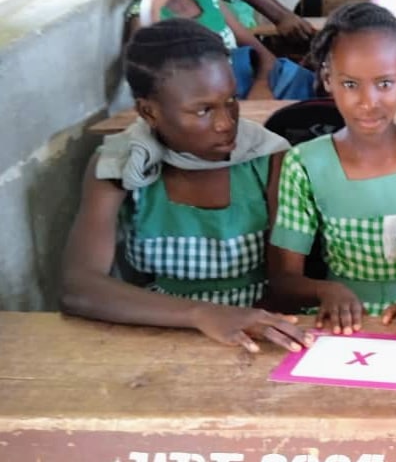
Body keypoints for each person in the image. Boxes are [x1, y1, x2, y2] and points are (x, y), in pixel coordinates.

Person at [61, 19, 310, 354]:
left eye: (231, 101)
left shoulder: (266, 156)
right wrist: (202, 314)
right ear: (148, 111)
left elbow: (284, 283)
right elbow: (79, 287)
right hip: (153, 330)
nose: (226, 123)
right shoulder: (120, 164)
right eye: (203, 110)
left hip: (257, 330)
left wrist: (242, 322)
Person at [268, 3, 396, 341]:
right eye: (350, 84)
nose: (368, 101)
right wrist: (324, 291)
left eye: (384, 83)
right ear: (327, 79)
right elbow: (285, 278)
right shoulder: (303, 163)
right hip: (337, 324)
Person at [131, 0, 315, 100]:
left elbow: (264, 56)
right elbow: (159, 85)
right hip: (211, 96)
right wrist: (152, 7)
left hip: (249, 81)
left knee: (314, 87)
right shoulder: (144, 15)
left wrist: (261, 86)